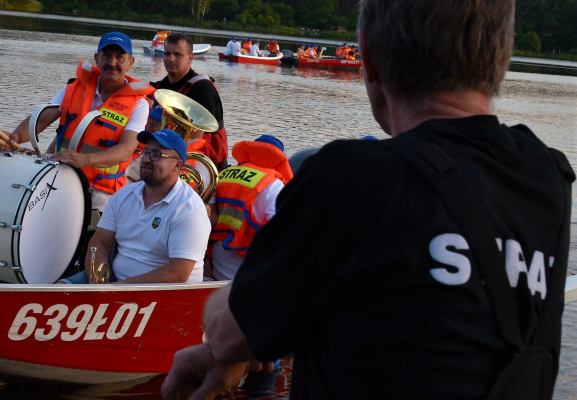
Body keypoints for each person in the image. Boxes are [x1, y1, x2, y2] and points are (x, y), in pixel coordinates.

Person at [162, 0, 575, 399]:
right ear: (500, 60)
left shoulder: (351, 178)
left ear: (370, 58)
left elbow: (227, 333)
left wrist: (243, 328)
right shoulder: (546, 179)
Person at [0, 32, 153, 213]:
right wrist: (14, 137)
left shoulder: (139, 104)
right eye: (106, 56)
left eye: (120, 58)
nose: (112, 63)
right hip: (61, 177)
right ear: (97, 59)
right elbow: (42, 119)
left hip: (103, 193)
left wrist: (83, 160)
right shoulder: (74, 88)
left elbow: (126, 151)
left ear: (130, 63)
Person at [61, 129, 211, 284]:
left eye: (156, 155)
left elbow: (178, 273)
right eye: (145, 152)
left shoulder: (190, 210)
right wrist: (98, 281)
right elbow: (99, 242)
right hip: (116, 283)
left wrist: (116, 290)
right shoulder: (124, 194)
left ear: (177, 165)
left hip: (162, 295)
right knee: (58, 291)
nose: (146, 159)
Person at [207, 135, 293, 281]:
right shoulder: (273, 185)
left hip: (217, 263)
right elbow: (281, 233)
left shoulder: (221, 175)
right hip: (247, 267)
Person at [153, 33, 230, 170]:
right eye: (167, 53)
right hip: (165, 156)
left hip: (200, 164)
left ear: (190, 58)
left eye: (178, 55)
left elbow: (196, 139)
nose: (171, 59)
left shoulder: (202, 88)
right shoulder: (160, 87)